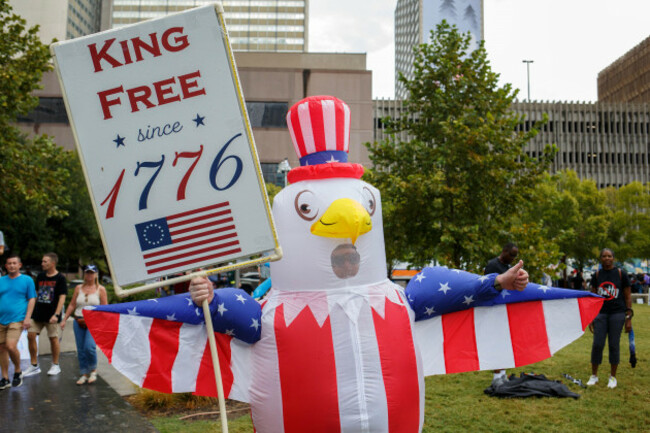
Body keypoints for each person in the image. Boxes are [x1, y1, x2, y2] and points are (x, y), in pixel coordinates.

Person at [587, 248, 632, 389]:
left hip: (617, 314)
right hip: (601, 314)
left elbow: (627, 296)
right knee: (597, 344)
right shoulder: (597, 275)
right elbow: (593, 297)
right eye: (604, 256)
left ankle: (613, 377)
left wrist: (628, 317)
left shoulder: (621, 274)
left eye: (610, 256)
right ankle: (594, 376)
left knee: (614, 345)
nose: (607, 258)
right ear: (600, 259)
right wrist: (591, 317)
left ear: (613, 258)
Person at [23, 253, 68, 377]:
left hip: (52, 315)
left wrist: (56, 314)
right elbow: (36, 294)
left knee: (53, 339)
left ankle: (55, 365)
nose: (42, 264)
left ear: (52, 263)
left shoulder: (60, 278)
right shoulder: (41, 276)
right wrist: (30, 313)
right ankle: (34, 365)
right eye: (42, 261)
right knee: (31, 335)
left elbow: (62, 297)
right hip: (38, 314)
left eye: (45, 261)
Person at [61, 264, 107, 385]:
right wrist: (65, 318)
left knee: (89, 347)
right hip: (78, 319)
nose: (89, 275)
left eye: (92, 272)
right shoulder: (78, 288)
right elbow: (72, 304)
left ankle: (93, 370)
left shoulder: (100, 289)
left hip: (93, 321)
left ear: (96, 274)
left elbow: (105, 308)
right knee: (81, 349)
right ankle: (84, 373)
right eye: (87, 272)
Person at [484, 242, 518, 386]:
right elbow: (488, 286)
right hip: (494, 309)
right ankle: (496, 376)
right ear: (504, 251)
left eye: (515, 257)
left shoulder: (508, 268)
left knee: (505, 342)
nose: (513, 259)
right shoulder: (492, 265)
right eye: (511, 255)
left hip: (505, 309)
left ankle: (503, 373)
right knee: (497, 342)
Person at [0, 255, 36, 389]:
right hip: (1, 319)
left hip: (17, 319)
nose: (11, 266)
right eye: (9, 263)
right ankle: (4, 378)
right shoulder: (1, 281)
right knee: (1, 348)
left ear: (19, 265)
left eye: (14, 263)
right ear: (6, 266)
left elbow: (32, 299)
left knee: (10, 346)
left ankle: (17, 370)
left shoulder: (27, 280)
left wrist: (27, 318)